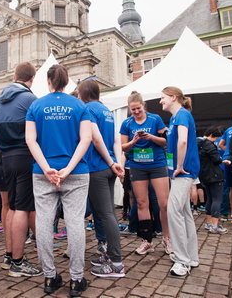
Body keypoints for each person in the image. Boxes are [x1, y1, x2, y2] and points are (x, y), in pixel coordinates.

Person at [26, 64, 92, 296]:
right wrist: (67, 169)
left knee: (44, 222)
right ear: (67, 82)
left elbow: (30, 140)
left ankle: (49, 277)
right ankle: (76, 279)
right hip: (75, 171)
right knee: (75, 222)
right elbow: (86, 140)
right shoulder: (79, 105)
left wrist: (47, 169)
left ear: (49, 81)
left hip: (43, 172)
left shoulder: (36, 105)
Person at [0, 62, 42, 276]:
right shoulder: (30, 98)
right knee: (22, 209)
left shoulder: (1, 97)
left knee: (12, 207)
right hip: (24, 156)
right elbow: (39, 131)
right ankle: (17, 262)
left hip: (6, 158)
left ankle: (9, 254)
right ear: (32, 78)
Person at [77, 79, 125, 278]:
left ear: (83, 93)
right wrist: (116, 161)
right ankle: (108, 255)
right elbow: (115, 139)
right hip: (109, 166)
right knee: (104, 212)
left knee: (106, 214)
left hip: (97, 167)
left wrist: (109, 160)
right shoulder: (106, 111)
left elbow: (95, 138)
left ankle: (116, 263)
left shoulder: (87, 109)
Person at [120, 91, 171, 255]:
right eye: (133, 109)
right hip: (137, 166)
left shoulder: (155, 119)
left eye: (138, 109)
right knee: (141, 203)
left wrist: (151, 137)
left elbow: (165, 141)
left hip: (157, 164)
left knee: (164, 204)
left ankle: (167, 238)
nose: (135, 112)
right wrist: (134, 140)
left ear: (144, 106)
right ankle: (146, 240)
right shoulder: (127, 123)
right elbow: (122, 147)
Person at [160, 86, 200, 278]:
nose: (161, 101)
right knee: (184, 213)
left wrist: (179, 165)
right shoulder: (177, 117)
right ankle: (191, 257)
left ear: (173, 97)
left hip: (183, 172)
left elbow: (182, 141)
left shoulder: (182, 115)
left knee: (173, 212)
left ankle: (182, 260)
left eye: (163, 98)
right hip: (180, 172)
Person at [197, 126, 227, 234]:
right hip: (214, 175)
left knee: (209, 199)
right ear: (212, 135)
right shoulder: (209, 145)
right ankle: (215, 225)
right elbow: (216, 159)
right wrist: (221, 159)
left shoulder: (199, 143)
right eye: (216, 137)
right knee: (217, 200)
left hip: (204, 175)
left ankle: (209, 222)